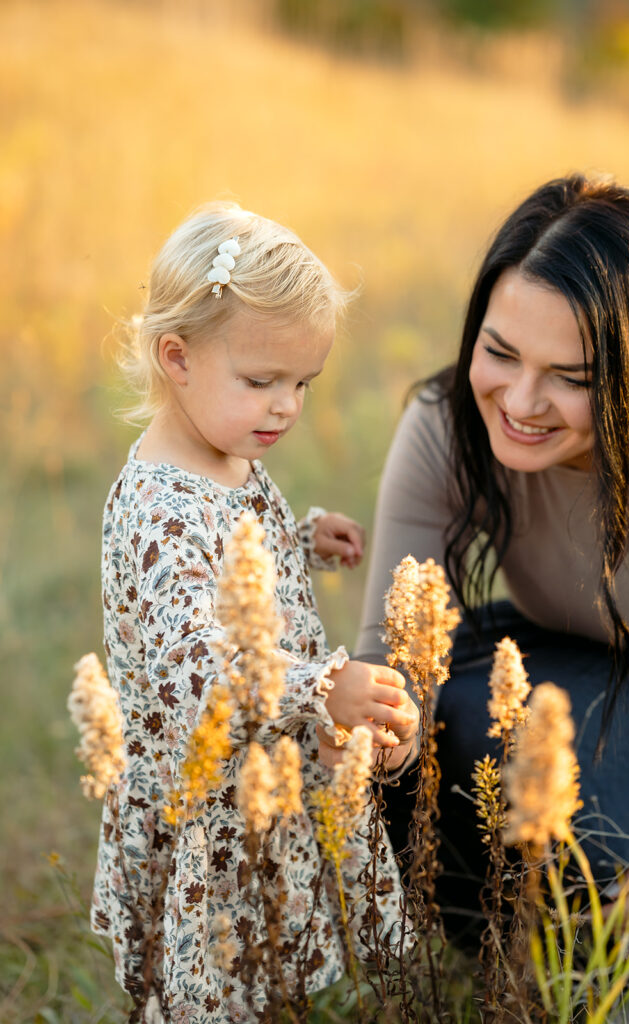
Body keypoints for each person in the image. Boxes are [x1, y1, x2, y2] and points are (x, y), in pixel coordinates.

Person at [91, 201, 419, 1021]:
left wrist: (300, 539)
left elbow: (234, 561)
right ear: (178, 357)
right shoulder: (159, 513)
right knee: (216, 979)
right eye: (262, 381)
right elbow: (202, 671)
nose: (285, 408)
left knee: (264, 970)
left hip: (260, 772)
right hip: (211, 792)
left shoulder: (226, 455)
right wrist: (319, 690)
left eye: (302, 384)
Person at [352, 174, 629, 968]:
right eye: (498, 353)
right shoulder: (445, 428)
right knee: (444, 719)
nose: (521, 401)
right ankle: (511, 959)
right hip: (585, 668)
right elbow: (389, 663)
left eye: (571, 378)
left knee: (557, 766)